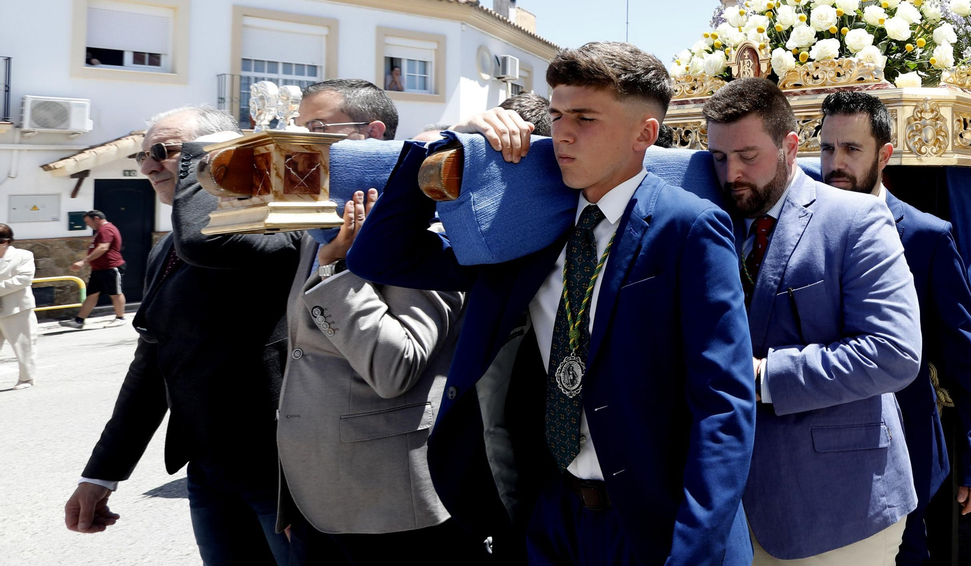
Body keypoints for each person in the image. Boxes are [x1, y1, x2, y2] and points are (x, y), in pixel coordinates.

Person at [350, 42, 759, 565]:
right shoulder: (526, 230)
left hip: (655, 523)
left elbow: (723, 403)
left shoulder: (689, 227)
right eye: (559, 114)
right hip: (551, 516)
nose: (563, 132)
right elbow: (380, 257)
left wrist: (695, 550)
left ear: (644, 134)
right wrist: (450, 144)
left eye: (585, 118)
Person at [175, 80, 487, 561]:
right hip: (316, 497)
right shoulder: (320, 224)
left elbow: (395, 367)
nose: (298, 147)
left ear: (373, 134)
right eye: (299, 130)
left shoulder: (423, 228)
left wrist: (336, 271)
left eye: (317, 130)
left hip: (391, 508)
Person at [63, 106, 312, 565]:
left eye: (164, 151)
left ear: (221, 154)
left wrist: (216, 161)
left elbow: (206, 240)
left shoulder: (277, 224)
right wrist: (102, 474)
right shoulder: (165, 248)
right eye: (142, 155)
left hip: (283, 475)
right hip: (209, 470)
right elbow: (153, 365)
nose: (148, 165)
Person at [703, 77, 922, 564]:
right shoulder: (713, 216)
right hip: (730, 514)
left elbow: (894, 353)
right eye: (719, 158)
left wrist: (762, 377)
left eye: (747, 156)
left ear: (790, 146)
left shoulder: (857, 218)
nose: (731, 173)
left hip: (839, 512)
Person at [817, 91, 971, 566]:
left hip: (903, 460)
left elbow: (966, 356)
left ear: (885, 155)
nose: (836, 163)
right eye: (827, 148)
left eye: (852, 150)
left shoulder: (925, 236)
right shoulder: (788, 226)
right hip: (812, 456)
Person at [58, 209, 126, 328]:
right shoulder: (101, 231)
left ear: (97, 219)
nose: (87, 225)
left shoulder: (106, 229)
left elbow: (103, 248)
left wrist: (84, 261)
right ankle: (79, 321)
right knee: (92, 295)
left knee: (116, 293)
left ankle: (120, 318)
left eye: (88, 222)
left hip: (110, 267)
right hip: (99, 269)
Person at [0, 223, 38, 389]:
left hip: (16, 308)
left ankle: (26, 379)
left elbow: (24, 279)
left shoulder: (23, 255)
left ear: (5, 241)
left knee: (24, 345)